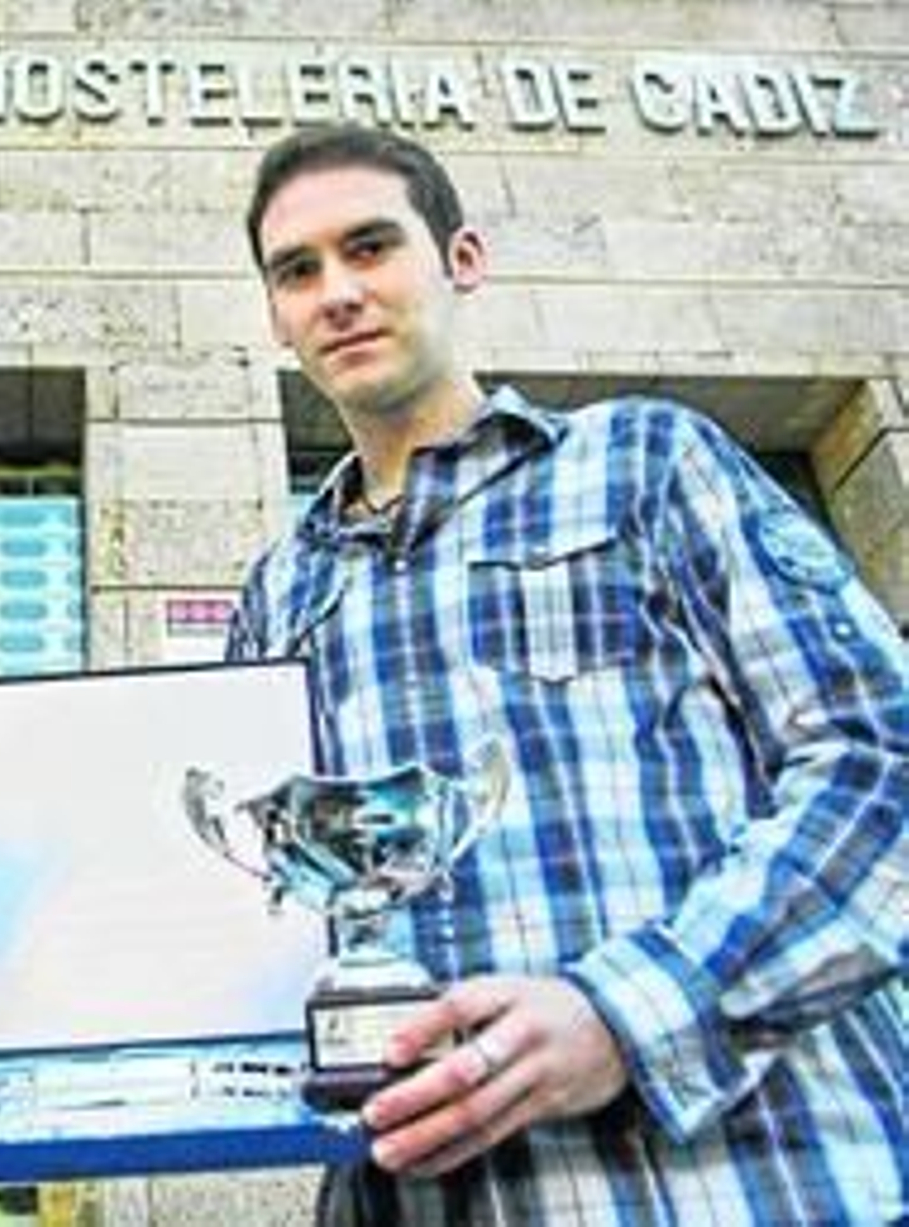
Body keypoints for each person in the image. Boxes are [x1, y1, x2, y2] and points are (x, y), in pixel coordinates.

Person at [228, 125, 907, 1224]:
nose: (336, 293)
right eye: (296, 272)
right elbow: (242, 922)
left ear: (461, 260)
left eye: (370, 248)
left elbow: (881, 756)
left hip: (754, 1181)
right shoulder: (277, 595)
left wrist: (632, 1014)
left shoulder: (642, 463)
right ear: (274, 312)